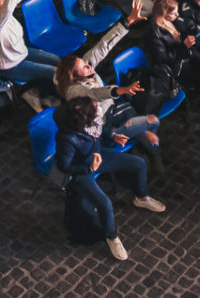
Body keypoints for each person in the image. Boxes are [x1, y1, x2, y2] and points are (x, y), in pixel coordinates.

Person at [55, 94, 163, 262]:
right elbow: (64, 166)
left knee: (138, 164)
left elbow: (99, 131)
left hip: (96, 155)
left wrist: (113, 136)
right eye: (94, 109)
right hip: (81, 170)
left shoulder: (91, 120)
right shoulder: (66, 138)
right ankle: (111, 237)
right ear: (84, 119)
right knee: (105, 203)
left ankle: (141, 197)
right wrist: (89, 167)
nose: (98, 109)